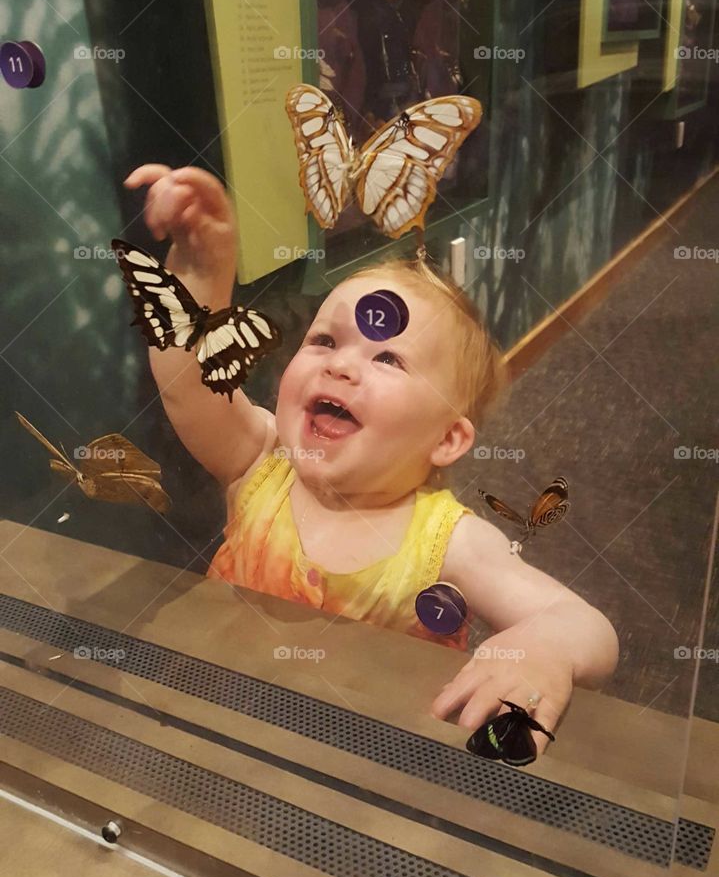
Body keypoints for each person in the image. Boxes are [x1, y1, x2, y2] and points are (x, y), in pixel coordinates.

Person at [123, 164, 619, 752]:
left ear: (447, 439)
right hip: (222, 714)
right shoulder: (260, 462)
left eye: (388, 360)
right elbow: (188, 383)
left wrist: (545, 648)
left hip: (360, 758)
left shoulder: (447, 543)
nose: (340, 365)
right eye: (325, 341)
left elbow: (590, 627)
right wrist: (203, 277)